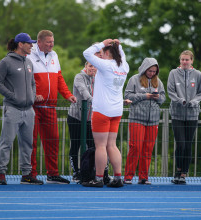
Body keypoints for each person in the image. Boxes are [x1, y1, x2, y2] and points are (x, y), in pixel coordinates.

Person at [27, 30, 77, 184]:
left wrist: (67, 94)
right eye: (48, 42)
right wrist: (33, 95)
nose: (51, 44)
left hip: (50, 106)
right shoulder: (29, 55)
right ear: (39, 42)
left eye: (52, 41)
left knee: (53, 140)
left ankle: (52, 174)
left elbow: (59, 77)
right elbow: (24, 80)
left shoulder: (54, 55)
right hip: (33, 107)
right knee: (31, 141)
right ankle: (30, 174)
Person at [0, 33, 43, 185]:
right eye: (29, 43)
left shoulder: (28, 62)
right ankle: (1, 173)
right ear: (20, 44)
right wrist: (13, 96)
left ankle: (26, 174)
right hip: (12, 109)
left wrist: (32, 96)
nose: (32, 46)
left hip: (29, 110)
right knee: (6, 142)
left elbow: (33, 83)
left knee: (28, 144)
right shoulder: (5, 62)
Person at [82, 39, 130, 187]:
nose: (100, 55)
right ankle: (117, 178)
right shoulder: (124, 66)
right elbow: (122, 55)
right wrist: (118, 46)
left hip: (102, 110)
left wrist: (101, 43)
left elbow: (86, 53)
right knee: (112, 145)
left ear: (107, 52)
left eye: (102, 53)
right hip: (116, 110)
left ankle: (98, 178)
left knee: (101, 146)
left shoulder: (105, 65)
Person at [123, 58, 166, 185]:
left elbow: (163, 98)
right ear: (144, 68)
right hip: (137, 118)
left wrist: (157, 97)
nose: (152, 73)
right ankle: (128, 177)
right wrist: (144, 96)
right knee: (135, 147)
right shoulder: (134, 79)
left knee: (148, 149)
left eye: (154, 71)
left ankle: (143, 177)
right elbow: (127, 96)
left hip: (153, 120)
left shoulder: (158, 81)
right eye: (150, 70)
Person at [167, 50, 201, 184]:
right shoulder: (173, 73)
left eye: (187, 60)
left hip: (192, 115)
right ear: (180, 61)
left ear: (191, 61)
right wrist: (180, 100)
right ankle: (177, 170)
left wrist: (194, 102)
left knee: (188, 145)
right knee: (181, 144)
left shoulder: (197, 74)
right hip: (177, 114)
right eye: (182, 59)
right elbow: (170, 91)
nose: (184, 62)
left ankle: (183, 173)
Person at [67, 61, 96, 183]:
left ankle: (90, 171)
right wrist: (95, 101)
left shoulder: (98, 78)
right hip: (76, 116)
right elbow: (84, 92)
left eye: (95, 67)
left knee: (93, 145)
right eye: (90, 66)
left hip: (90, 118)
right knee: (76, 144)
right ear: (85, 66)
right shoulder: (79, 77)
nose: (92, 69)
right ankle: (76, 172)